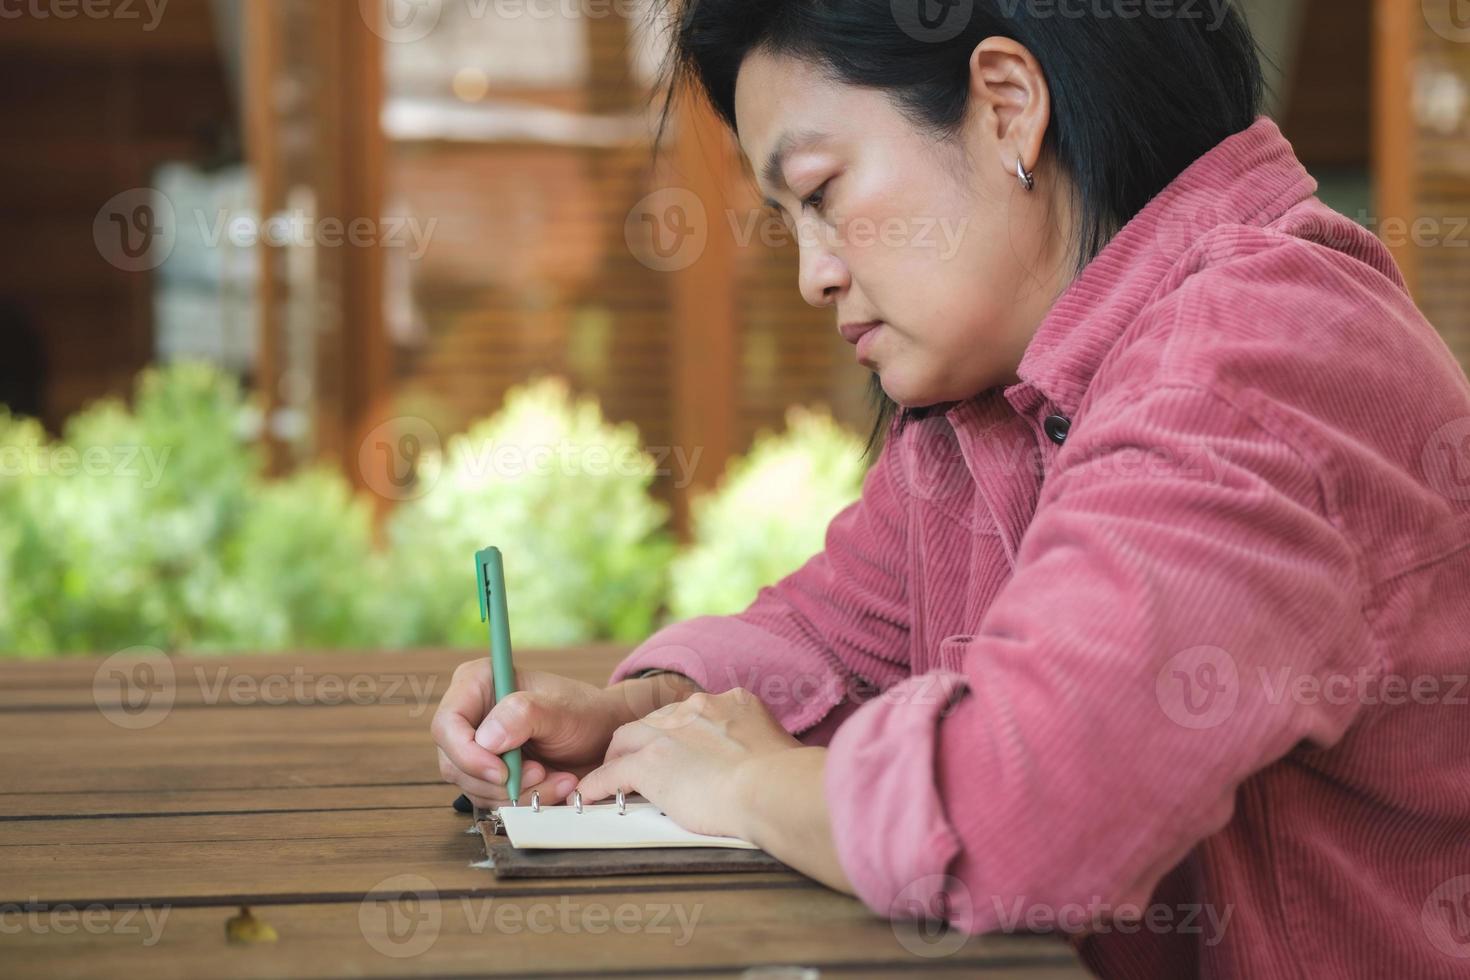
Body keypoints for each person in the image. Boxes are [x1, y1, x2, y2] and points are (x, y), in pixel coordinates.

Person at [432, 2, 1470, 975]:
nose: (813, 274)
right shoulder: (998, 395)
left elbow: (1022, 816)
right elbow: (836, 636)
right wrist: (639, 718)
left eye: (824, 192)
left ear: (1007, 107)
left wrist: (749, 783)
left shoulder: (1252, 360)